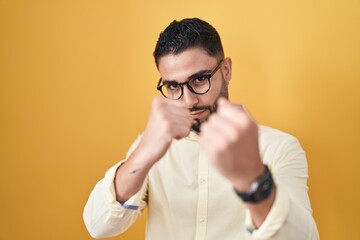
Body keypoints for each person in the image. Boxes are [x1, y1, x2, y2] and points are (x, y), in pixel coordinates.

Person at [83, 18, 319, 239]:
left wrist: (253, 178)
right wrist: (143, 153)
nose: (188, 101)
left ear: (226, 70)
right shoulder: (151, 147)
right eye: (173, 86)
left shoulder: (279, 148)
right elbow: (99, 226)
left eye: (199, 80)